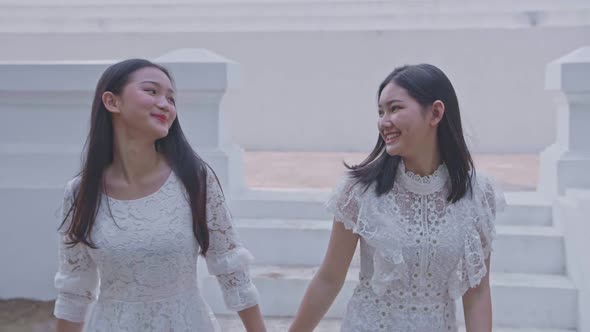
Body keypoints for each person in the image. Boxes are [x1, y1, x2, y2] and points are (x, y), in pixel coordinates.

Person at [53, 59, 266, 332]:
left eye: (171, 98)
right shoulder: (81, 193)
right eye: (151, 91)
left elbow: (231, 267)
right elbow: (74, 290)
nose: (165, 104)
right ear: (112, 101)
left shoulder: (194, 179)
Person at [289, 64, 504, 332]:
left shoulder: (478, 193)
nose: (383, 121)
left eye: (395, 108)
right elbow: (329, 279)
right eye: (380, 112)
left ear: (435, 112)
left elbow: (477, 290)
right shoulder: (359, 190)